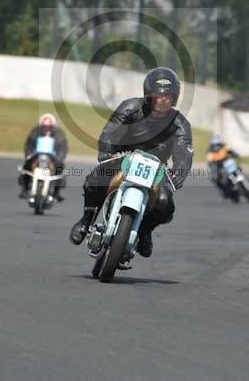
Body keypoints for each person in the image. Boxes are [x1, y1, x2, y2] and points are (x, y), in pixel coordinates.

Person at [69, 67, 193, 258]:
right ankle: (87, 219)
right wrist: (106, 150)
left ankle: (145, 231)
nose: (163, 100)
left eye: (167, 96)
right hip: (122, 159)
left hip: (156, 169)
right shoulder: (130, 107)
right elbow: (110, 131)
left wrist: (179, 172)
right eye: (158, 96)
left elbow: (184, 151)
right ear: (148, 96)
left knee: (165, 203)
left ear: (174, 98)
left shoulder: (180, 124)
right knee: (95, 180)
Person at [18, 113, 68, 201]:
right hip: (37, 154)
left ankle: (56, 193)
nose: (46, 128)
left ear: (53, 125)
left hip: (52, 156)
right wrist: (28, 154)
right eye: (44, 126)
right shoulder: (35, 131)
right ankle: (25, 189)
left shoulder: (59, 133)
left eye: (49, 126)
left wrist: (60, 158)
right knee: (26, 167)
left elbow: (63, 148)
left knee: (60, 168)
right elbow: (28, 144)